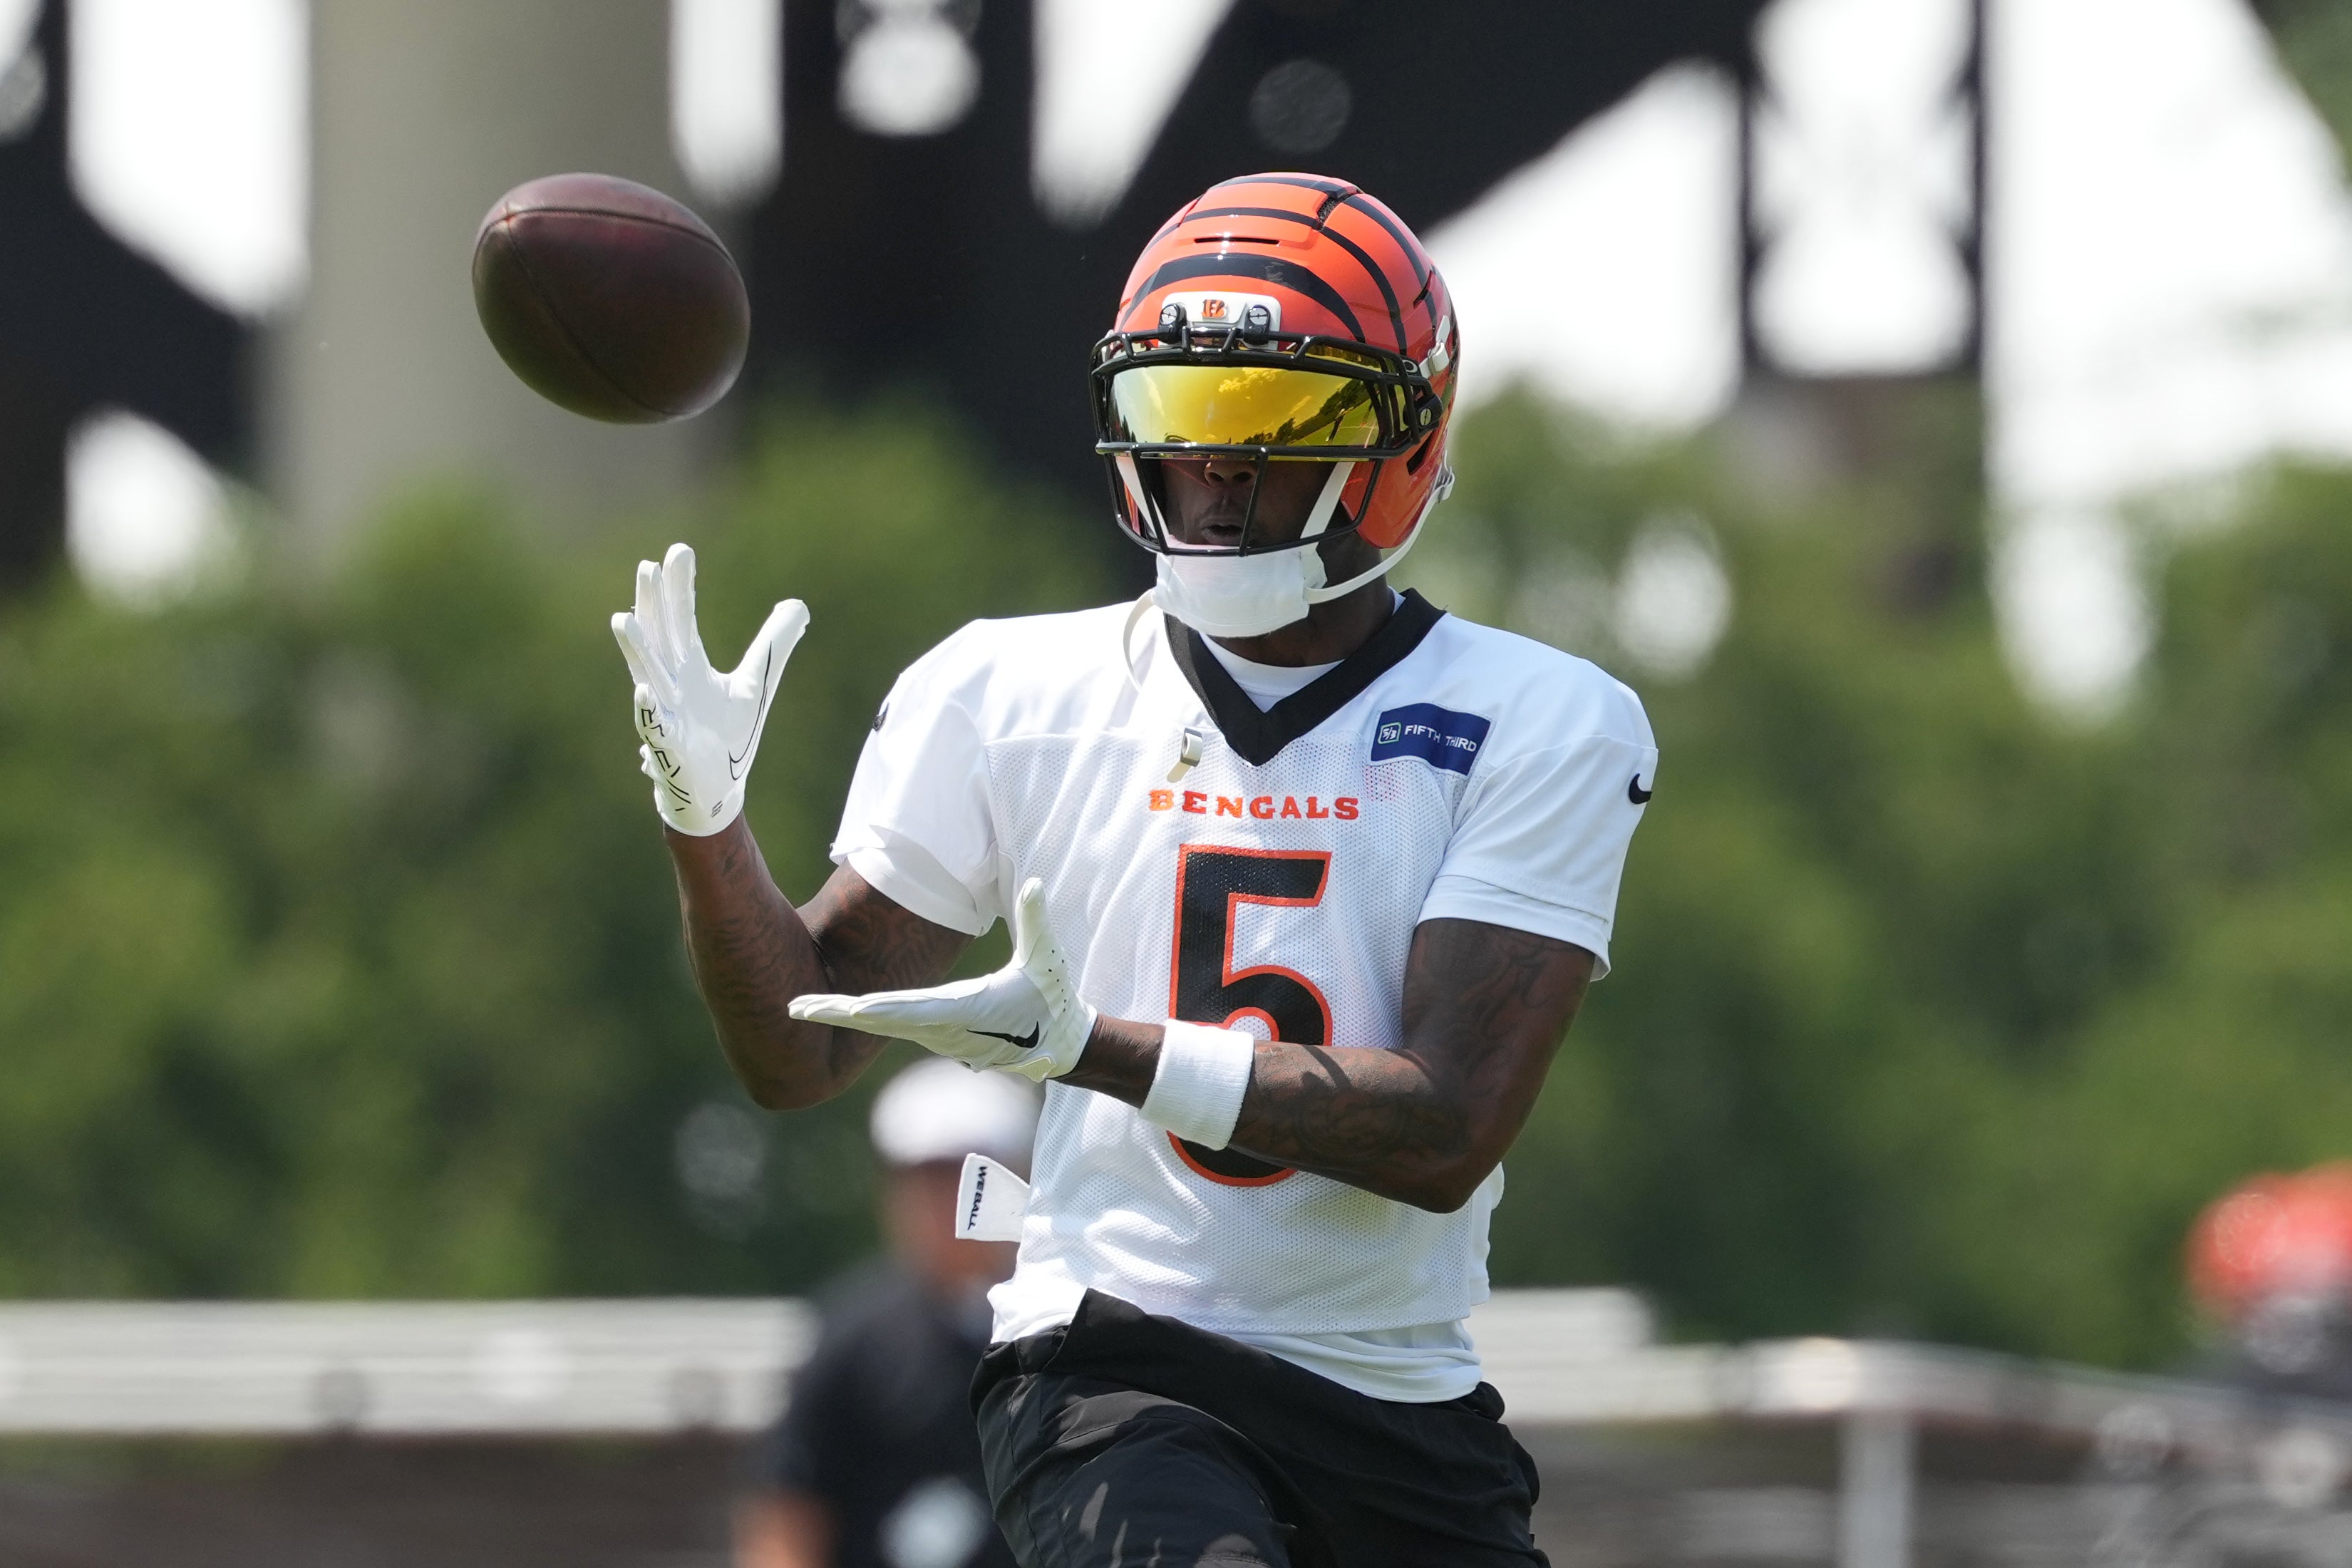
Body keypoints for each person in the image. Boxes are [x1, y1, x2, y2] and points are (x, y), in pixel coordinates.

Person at [614, 172, 1658, 1568]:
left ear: (1401, 438)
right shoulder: (1010, 688)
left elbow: (1446, 1124)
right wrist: (704, 823)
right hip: (1116, 1360)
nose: (1217, 471)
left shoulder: (1537, 716)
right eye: (1183, 415)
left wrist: (1095, 1045)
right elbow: (794, 1048)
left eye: (1275, 425)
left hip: (1401, 1390)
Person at [738, 1058, 1036, 1568]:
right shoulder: (853, 1340)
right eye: (920, 1183)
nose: (940, 1207)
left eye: (967, 1182)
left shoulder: (1068, 1333)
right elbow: (788, 1517)